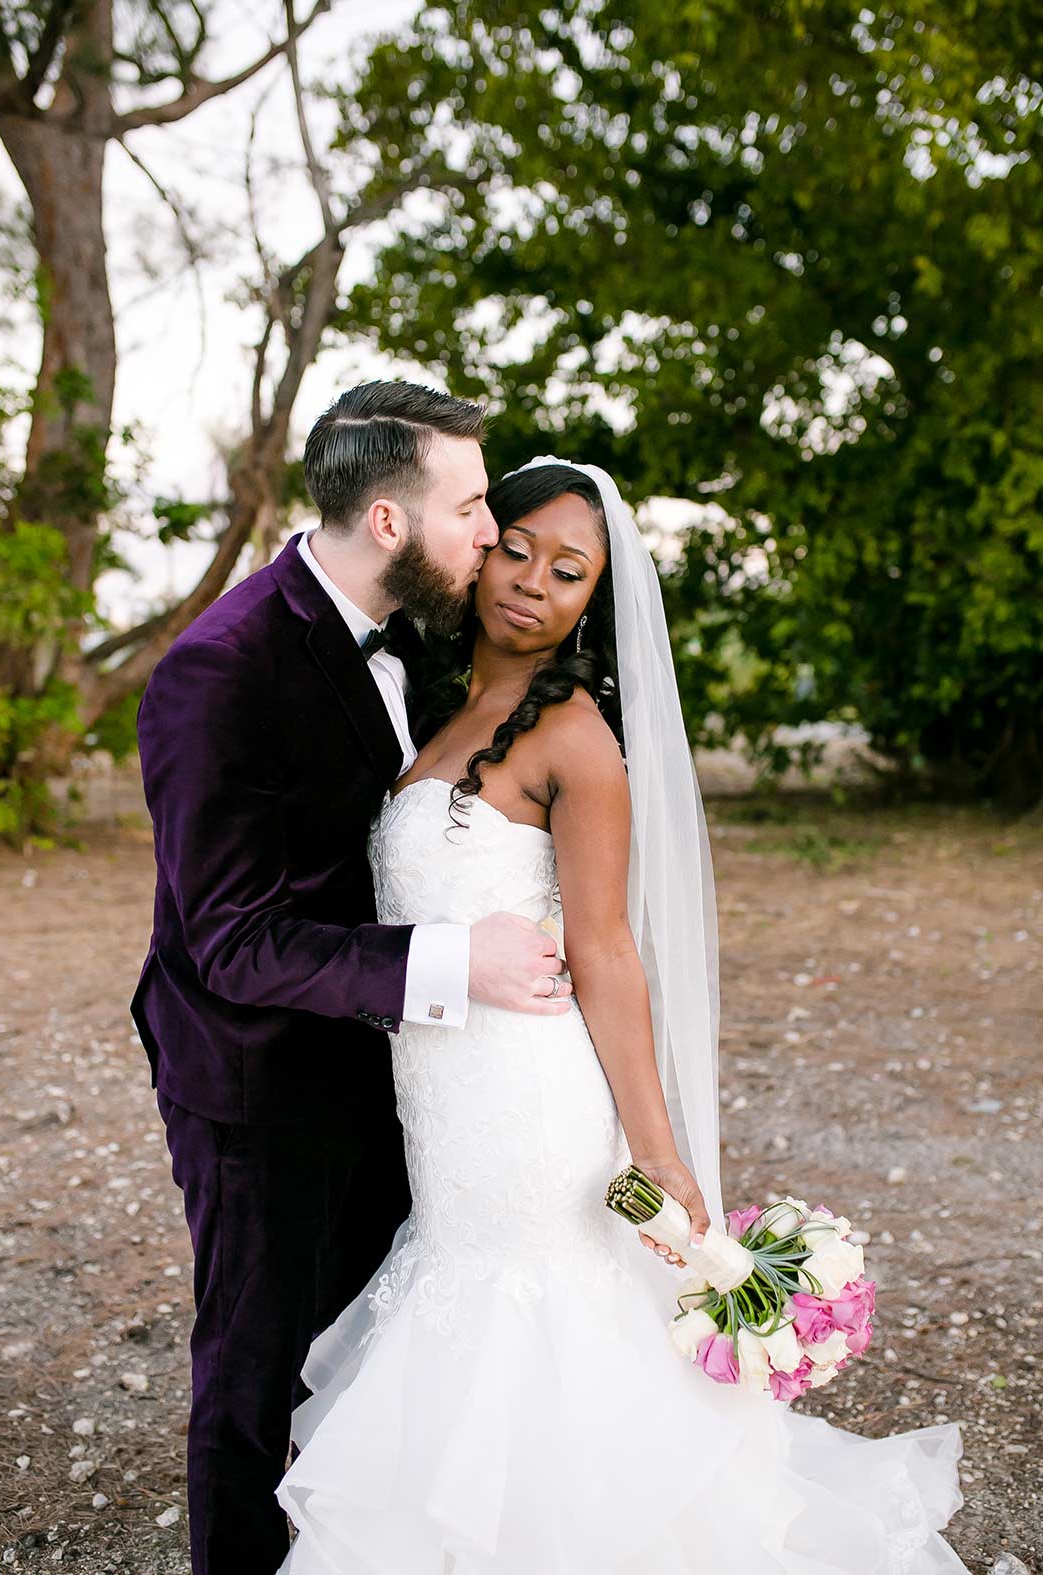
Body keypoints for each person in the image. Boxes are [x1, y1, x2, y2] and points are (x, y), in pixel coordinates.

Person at [274, 459, 970, 1575]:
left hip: (528, 1105)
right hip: (445, 1101)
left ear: (592, 600)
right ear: (483, 542)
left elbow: (605, 949)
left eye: (568, 572)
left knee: (533, 1324)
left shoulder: (576, 739)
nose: (532, 586)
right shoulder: (448, 713)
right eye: (518, 550)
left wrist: (660, 1155)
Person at [131, 384, 575, 1575]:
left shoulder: (418, 631)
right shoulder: (216, 672)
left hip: (407, 1073)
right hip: (255, 1084)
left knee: (380, 1342)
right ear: (389, 521)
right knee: (255, 1370)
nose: (493, 535)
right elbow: (229, 938)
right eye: (473, 507)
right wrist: (456, 961)